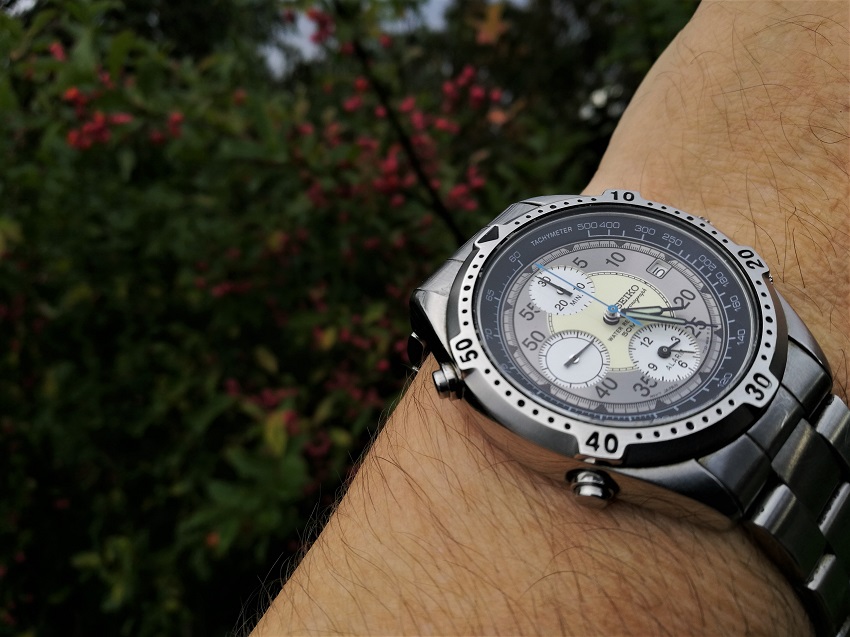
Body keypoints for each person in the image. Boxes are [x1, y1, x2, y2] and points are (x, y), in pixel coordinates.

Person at [252, 2, 849, 634]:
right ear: (456, 373)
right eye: (606, 313)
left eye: (614, 311)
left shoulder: (566, 244)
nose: (613, 315)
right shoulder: (479, 351)